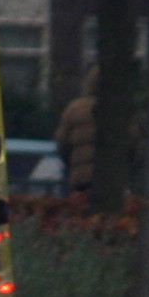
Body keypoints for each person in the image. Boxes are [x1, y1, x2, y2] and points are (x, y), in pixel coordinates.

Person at [56, 65, 98, 198]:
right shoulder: (120, 112)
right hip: (112, 178)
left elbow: (62, 142)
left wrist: (73, 163)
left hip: (80, 177)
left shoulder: (75, 108)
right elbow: (132, 144)